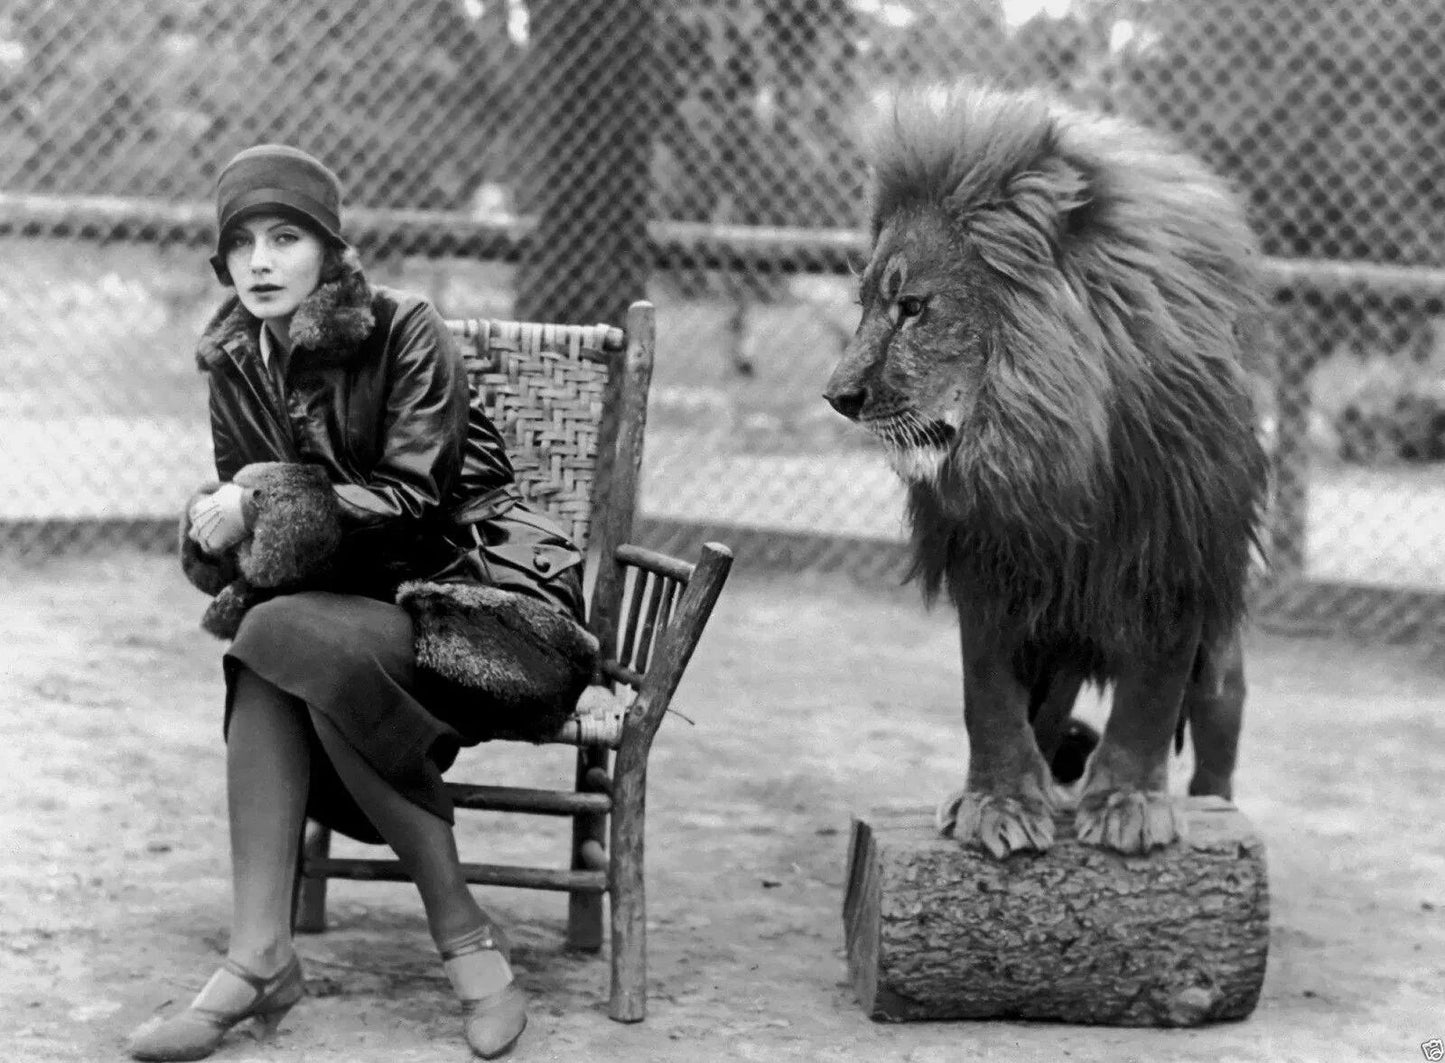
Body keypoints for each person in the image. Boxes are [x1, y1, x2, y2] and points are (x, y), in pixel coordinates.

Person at [126, 145, 597, 1061]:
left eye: (285, 236)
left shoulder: (404, 327)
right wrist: (223, 529)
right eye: (240, 243)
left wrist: (262, 505)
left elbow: (415, 502)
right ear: (221, 263)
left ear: (330, 251)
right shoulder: (234, 361)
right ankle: (314, 949)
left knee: (285, 639)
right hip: (346, 617)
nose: (260, 261)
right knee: (277, 633)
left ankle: (329, 947)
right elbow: (267, 541)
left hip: (479, 601)